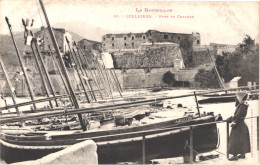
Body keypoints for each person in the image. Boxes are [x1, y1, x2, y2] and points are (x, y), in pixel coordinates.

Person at [226, 92, 251, 161]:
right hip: (241, 125)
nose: (236, 99)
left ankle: (234, 156)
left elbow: (238, 115)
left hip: (239, 125)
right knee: (241, 140)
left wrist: (230, 119)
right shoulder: (243, 105)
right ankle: (242, 154)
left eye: (237, 97)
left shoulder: (242, 106)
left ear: (240, 98)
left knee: (235, 140)